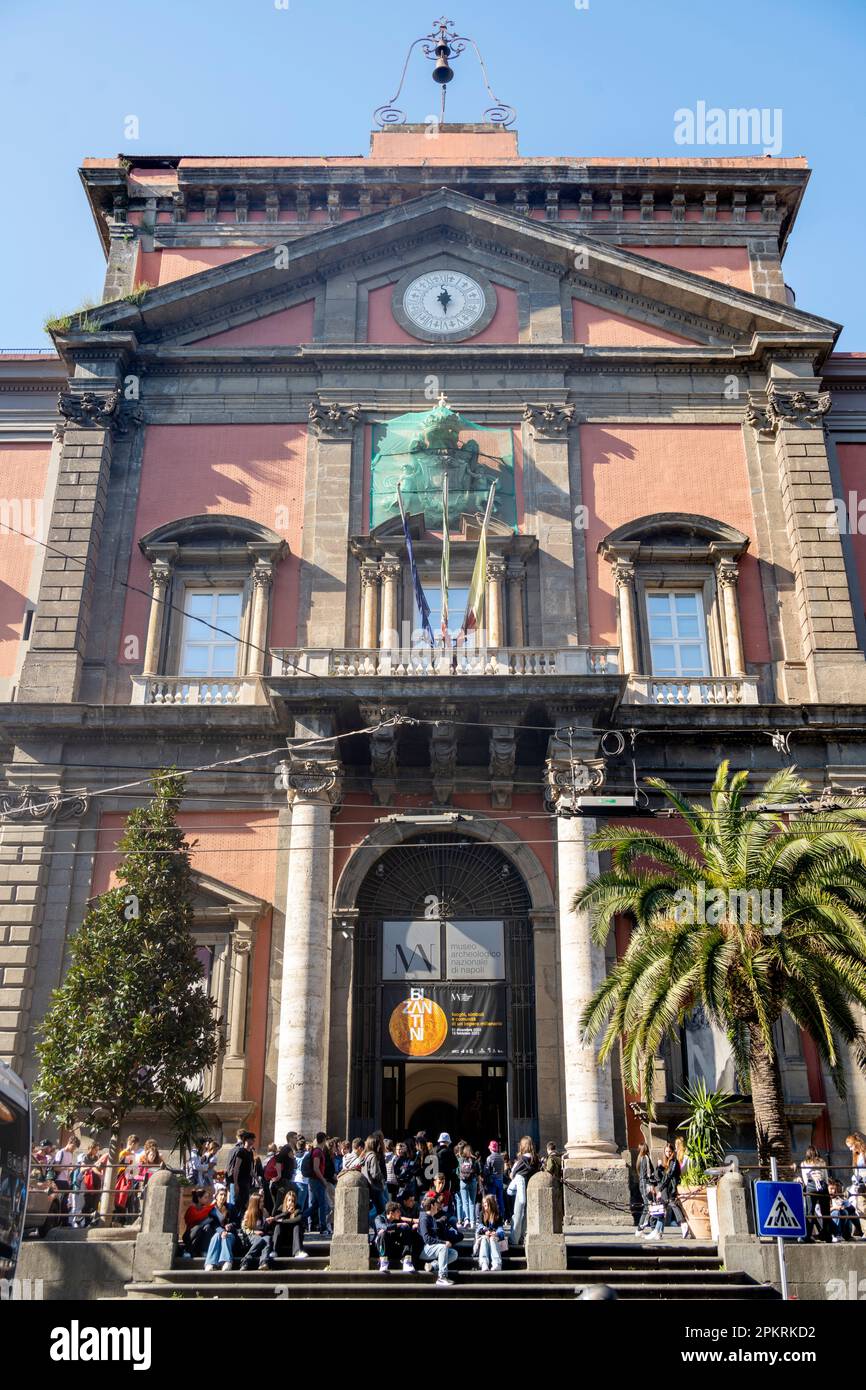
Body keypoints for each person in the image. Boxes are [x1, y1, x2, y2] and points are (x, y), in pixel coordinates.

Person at [418, 1194, 460, 1287]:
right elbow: (426, 1239)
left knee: (454, 1253)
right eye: (436, 1204)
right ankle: (442, 1277)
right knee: (443, 1247)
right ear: (432, 1205)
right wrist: (443, 1242)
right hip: (423, 1249)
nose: (439, 1207)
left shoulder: (432, 1218)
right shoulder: (424, 1218)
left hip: (431, 1248)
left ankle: (433, 1266)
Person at [507, 1136, 539, 1246]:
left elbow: (512, 1174)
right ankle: (523, 1237)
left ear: (523, 1146)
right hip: (530, 1190)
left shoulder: (522, 1160)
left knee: (517, 1214)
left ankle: (514, 1239)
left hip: (520, 1190)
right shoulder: (536, 1160)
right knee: (526, 1215)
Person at [374, 1200, 421, 1273]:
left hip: (395, 1246)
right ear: (391, 1213)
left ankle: (406, 1260)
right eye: (398, 1212)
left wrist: (413, 1224)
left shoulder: (396, 1219)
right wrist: (398, 1225)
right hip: (382, 1246)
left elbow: (403, 1221)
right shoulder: (379, 1218)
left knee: (406, 1227)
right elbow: (385, 1227)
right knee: (383, 1233)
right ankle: (383, 1262)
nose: (400, 1213)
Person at [656, 1141, 690, 1239]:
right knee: (663, 1208)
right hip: (666, 1187)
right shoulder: (667, 1162)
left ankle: (683, 1223)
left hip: (669, 1188)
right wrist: (659, 1167)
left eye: (670, 1151)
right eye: (666, 1151)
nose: (668, 1153)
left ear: (673, 1151)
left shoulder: (673, 1161)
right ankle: (658, 1232)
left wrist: (660, 1189)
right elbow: (660, 1176)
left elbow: (669, 1176)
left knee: (671, 1203)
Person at [203, 1187, 240, 1272]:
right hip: (217, 1234)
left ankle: (227, 1262)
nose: (223, 1197)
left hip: (230, 1234)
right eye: (221, 1195)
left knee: (226, 1236)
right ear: (216, 1196)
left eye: (225, 1195)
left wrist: (231, 1225)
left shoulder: (231, 1207)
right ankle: (210, 1263)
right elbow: (213, 1224)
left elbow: (237, 1222)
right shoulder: (212, 1210)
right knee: (216, 1236)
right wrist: (221, 1231)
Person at [801, 1146, 832, 1243]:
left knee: (810, 1213)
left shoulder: (804, 1163)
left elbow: (805, 1179)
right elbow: (825, 1177)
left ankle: (808, 1236)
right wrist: (825, 1187)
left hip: (811, 1188)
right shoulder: (822, 1162)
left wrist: (808, 1187)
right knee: (826, 1212)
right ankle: (828, 1236)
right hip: (822, 1188)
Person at [238, 1193, 276, 1270]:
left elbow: (266, 1228)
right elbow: (244, 1227)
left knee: (267, 1239)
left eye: (262, 1201)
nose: (262, 1203)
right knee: (259, 1240)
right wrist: (254, 1232)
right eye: (260, 1202)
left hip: (262, 1234)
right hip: (251, 1235)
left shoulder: (264, 1211)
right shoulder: (248, 1213)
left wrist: (268, 1223)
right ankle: (246, 1260)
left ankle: (263, 1262)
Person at [271, 1187, 308, 1259]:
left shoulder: (298, 1208)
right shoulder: (281, 1208)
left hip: (294, 1237)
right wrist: (286, 1213)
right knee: (278, 1226)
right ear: (286, 1201)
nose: (291, 1203)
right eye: (289, 1200)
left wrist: (282, 1221)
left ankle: (297, 1252)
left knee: (297, 1226)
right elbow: (275, 1219)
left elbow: (297, 1220)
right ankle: (274, 1251)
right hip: (283, 1236)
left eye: (293, 1201)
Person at [226, 1130, 256, 1215]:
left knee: (245, 1203)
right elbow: (236, 1168)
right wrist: (235, 1184)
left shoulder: (250, 1153)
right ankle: (233, 1223)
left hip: (246, 1182)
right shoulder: (240, 1152)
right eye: (252, 1139)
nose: (253, 1141)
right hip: (239, 1182)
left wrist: (256, 1178)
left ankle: (241, 1223)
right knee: (236, 1203)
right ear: (246, 1140)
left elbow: (250, 1169)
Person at [308, 1131, 332, 1237]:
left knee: (315, 1205)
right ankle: (323, 1227)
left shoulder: (317, 1150)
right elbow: (316, 1168)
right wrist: (323, 1180)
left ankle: (301, 1219)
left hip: (315, 1180)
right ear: (324, 1140)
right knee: (322, 1204)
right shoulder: (317, 1152)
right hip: (317, 1181)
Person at [474, 1194, 506, 1272]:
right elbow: (479, 1227)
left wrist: (496, 1233)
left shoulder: (498, 1215)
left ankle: (497, 1263)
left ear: (491, 1204)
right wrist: (485, 1231)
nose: (484, 1206)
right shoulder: (482, 1214)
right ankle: (484, 1263)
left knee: (492, 1238)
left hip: (494, 1237)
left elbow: (500, 1228)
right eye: (483, 1204)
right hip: (484, 1236)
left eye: (486, 1204)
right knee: (485, 1238)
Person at [181, 1188, 215, 1258]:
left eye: (208, 1197)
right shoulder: (191, 1208)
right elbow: (197, 1216)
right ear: (199, 1198)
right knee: (198, 1228)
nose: (207, 1200)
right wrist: (211, 1206)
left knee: (208, 1227)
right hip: (190, 1236)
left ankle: (204, 1251)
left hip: (200, 1237)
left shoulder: (205, 1208)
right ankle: (188, 1251)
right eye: (205, 1197)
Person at [362, 1134, 389, 1219]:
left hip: (370, 1186)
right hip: (376, 1187)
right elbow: (375, 1173)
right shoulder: (373, 1156)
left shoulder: (366, 1155)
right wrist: (382, 1178)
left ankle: (376, 1228)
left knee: (377, 1209)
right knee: (382, 1210)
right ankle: (378, 1228)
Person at [456, 1142, 480, 1228]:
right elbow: (478, 1171)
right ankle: (473, 1221)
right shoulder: (474, 1160)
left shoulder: (460, 1159)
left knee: (464, 1202)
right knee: (472, 1202)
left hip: (463, 1182)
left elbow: (457, 1171)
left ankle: (466, 1220)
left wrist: (461, 1177)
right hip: (473, 1181)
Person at [634, 1142, 656, 1234]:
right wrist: (652, 1184)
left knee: (648, 1206)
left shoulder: (639, 1159)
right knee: (648, 1206)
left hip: (642, 1183)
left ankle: (649, 1227)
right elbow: (649, 1173)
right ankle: (640, 1228)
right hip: (646, 1184)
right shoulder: (646, 1158)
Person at [845, 1133, 866, 1219]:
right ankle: (865, 1231)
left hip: (865, 1181)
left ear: (856, 1143)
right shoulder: (856, 1155)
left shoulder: (865, 1153)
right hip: (860, 1183)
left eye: (851, 1146)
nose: (850, 1149)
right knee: (860, 1206)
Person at [484, 1141, 505, 1217]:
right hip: (500, 1180)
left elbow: (486, 1171)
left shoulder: (489, 1158)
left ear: (491, 1148)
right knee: (500, 1199)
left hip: (492, 1180)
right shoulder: (501, 1158)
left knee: (491, 1199)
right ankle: (502, 1216)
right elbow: (503, 1170)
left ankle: (492, 1215)